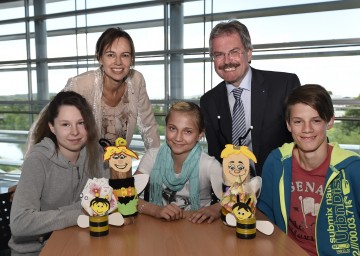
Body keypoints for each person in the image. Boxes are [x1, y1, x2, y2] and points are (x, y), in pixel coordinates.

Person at [257, 84, 360, 256]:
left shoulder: (352, 169)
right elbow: (265, 217)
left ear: (330, 122)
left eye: (316, 120)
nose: (307, 129)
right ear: (288, 125)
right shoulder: (276, 162)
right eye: (298, 121)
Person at [26, 27, 160, 156]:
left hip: (117, 165)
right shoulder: (81, 85)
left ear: (131, 59)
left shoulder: (136, 80)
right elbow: (44, 122)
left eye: (125, 55)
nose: (118, 62)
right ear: (100, 58)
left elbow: (149, 127)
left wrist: (155, 165)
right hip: (82, 166)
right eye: (110, 55)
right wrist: (33, 165)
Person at [9, 91, 106, 255]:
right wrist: (79, 213)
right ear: (52, 127)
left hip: (78, 242)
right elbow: (19, 223)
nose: (74, 132)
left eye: (81, 123)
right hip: (36, 251)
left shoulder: (96, 153)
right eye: (65, 124)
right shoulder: (37, 161)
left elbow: (108, 197)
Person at [200, 20, 301, 176]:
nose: (227, 61)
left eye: (234, 52)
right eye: (219, 54)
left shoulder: (284, 86)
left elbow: (305, 139)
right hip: (235, 192)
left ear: (249, 53)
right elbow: (216, 157)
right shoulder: (209, 101)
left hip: (282, 185)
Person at [135, 101, 223, 224]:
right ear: (165, 128)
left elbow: (238, 197)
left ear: (200, 135)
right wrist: (156, 210)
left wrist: (217, 209)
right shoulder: (152, 157)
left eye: (187, 131)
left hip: (198, 228)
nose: (178, 138)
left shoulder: (209, 165)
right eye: (172, 129)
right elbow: (126, 194)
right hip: (157, 227)